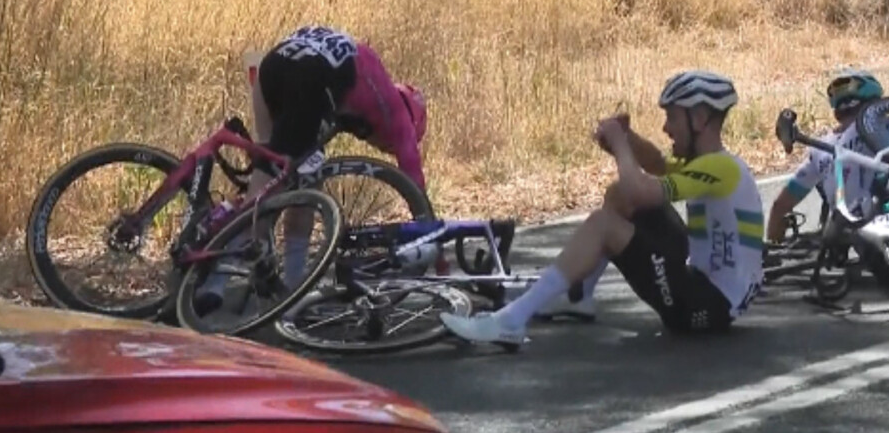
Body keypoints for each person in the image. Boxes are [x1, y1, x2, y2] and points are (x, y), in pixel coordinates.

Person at [439, 70, 765, 347]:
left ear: (699, 119)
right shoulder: (715, 164)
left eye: (672, 117)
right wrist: (627, 137)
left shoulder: (723, 169)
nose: (666, 128)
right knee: (617, 197)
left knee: (604, 224)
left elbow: (640, 191)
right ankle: (579, 296)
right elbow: (657, 164)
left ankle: (512, 321)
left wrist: (621, 145)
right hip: (704, 290)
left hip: (704, 308)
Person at [196, 24, 430, 313]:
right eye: (385, 148)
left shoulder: (370, 76)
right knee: (270, 193)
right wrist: (435, 246)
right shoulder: (399, 117)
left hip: (275, 65)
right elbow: (415, 186)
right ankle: (223, 280)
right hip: (311, 80)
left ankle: (283, 279)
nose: (383, 149)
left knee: (276, 176)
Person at [765, 69, 889, 245]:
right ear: (875, 105)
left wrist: (771, 250)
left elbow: (779, 206)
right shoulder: (883, 125)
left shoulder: (821, 149)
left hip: (850, 232)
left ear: (836, 113)